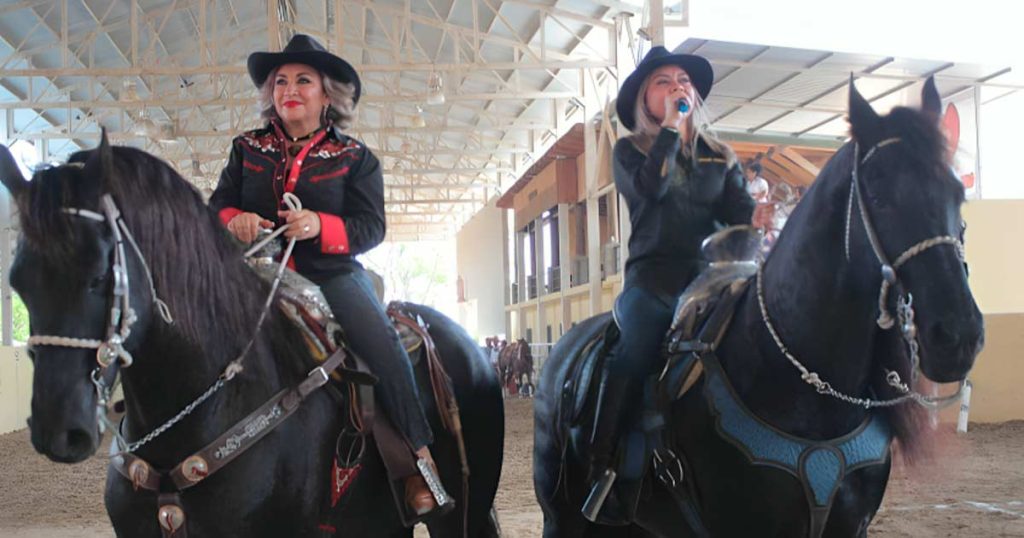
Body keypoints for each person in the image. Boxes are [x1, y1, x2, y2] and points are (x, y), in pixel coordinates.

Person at [208, 34, 444, 518]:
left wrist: (320, 225)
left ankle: (417, 463)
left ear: (326, 95)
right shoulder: (245, 149)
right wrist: (234, 218)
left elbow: (371, 227)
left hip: (331, 273)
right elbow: (216, 206)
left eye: (302, 80)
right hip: (253, 270)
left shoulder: (355, 157)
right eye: (280, 81)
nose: (288, 88)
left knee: (381, 344)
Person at [587, 46, 755, 505]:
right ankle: (600, 459)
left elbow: (741, 218)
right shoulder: (629, 151)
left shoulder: (719, 156)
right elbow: (651, 190)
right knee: (634, 348)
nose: (679, 86)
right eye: (664, 82)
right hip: (653, 280)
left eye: (684, 80)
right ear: (645, 100)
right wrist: (670, 132)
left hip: (714, 279)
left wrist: (751, 208)